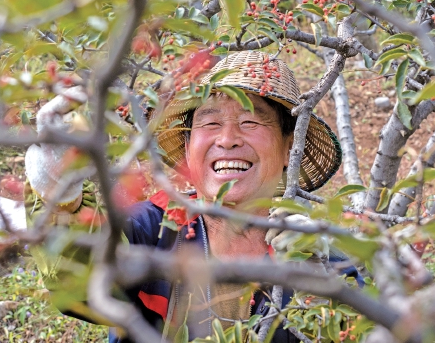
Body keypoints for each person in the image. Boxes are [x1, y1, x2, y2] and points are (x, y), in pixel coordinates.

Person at [25, 50, 362, 342]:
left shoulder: (316, 252)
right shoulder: (154, 228)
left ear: (289, 146)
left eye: (250, 122)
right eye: (210, 123)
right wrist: (60, 189)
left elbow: (362, 330)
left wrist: (322, 286)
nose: (228, 139)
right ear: (188, 147)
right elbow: (79, 282)